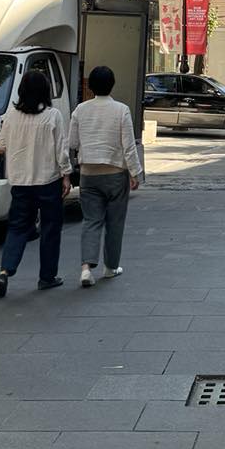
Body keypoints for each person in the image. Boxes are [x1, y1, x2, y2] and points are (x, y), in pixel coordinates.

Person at [0, 68, 71, 297]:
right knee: (50, 229)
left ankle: (5, 271)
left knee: (17, 227)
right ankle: (47, 276)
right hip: (47, 180)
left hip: (21, 181)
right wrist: (66, 174)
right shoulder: (52, 116)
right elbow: (61, 150)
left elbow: (2, 145)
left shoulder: (12, 117)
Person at [69, 65, 141, 287]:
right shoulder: (121, 110)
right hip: (115, 173)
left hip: (88, 174)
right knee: (115, 222)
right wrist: (135, 172)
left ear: (90, 87)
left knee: (91, 220)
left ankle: (85, 268)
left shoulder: (80, 110)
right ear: (112, 85)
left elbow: (72, 143)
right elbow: (128, 145)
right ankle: (110, 267)